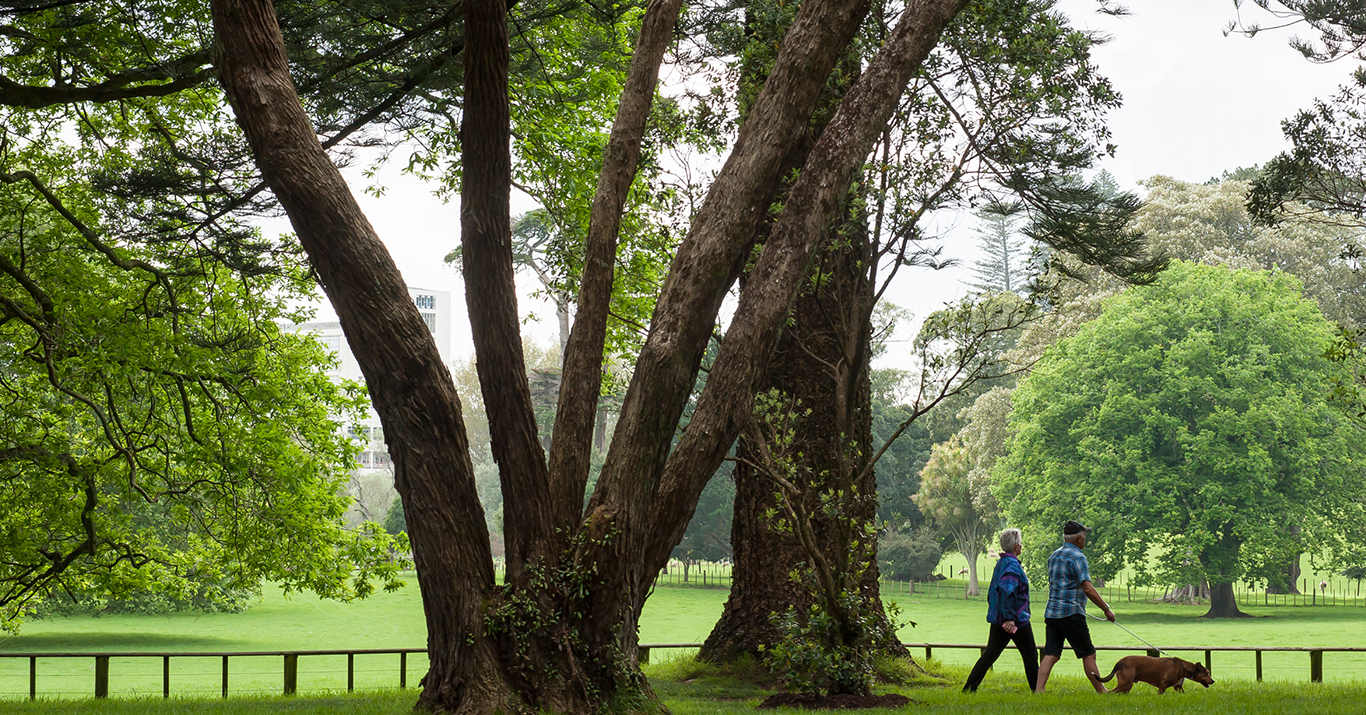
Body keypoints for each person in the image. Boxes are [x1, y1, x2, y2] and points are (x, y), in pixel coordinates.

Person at [1033, 520, 1115, 694]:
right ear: (1079, 537)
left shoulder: (1053, 556)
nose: (1085, 539)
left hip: (1052, 613)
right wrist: (1106, 609)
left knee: (1051, 653)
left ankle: (1039, 690)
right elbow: (1087, 588)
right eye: (1084, 536)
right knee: (1088, 654)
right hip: (1071, 614)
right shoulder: (1078, 557)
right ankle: (1101, 690)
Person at [962, 528, 1037, 693]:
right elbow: (1008, 591)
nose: (1022, 546)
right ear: (1016, 546)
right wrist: (1009, 618)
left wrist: (1000, 616)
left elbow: (993, 591)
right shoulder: (1012, 565)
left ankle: (969, 688)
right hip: (1016, 619)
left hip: (999, 619)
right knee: (1031, 656)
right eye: (1021, 543)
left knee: (990, 655)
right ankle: (1037, 690)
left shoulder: (1002, 563)